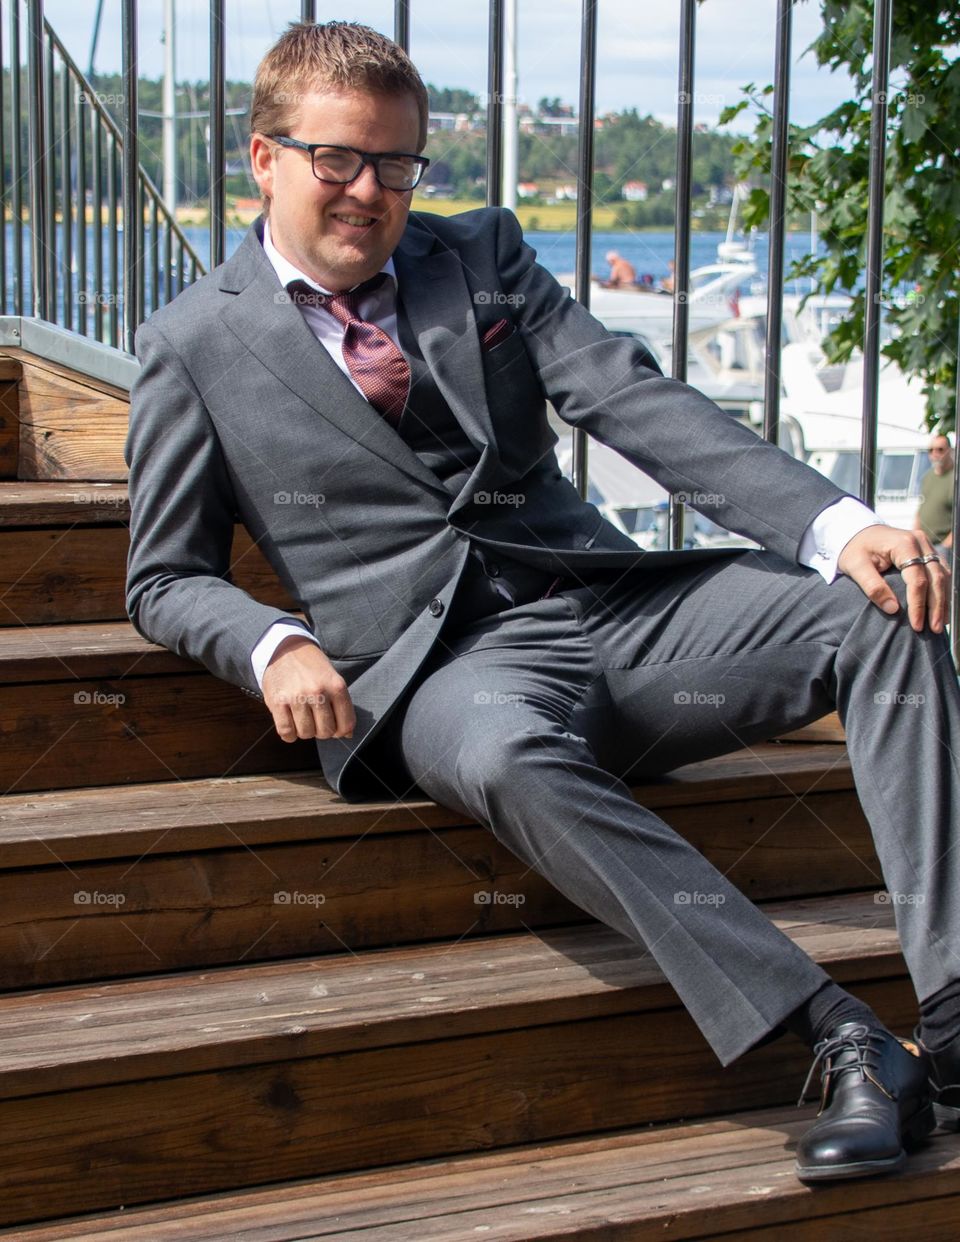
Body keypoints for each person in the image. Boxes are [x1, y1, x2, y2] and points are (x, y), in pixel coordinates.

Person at [125, 20, 960, 1186]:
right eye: (339, 161)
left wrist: (837, 528)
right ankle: (843, 1038)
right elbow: (163, 575)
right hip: (450, 672)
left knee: (890, 608)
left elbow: (634, 401)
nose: (372, 191)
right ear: (263, 159)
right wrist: (268, 640)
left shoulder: (481, 258)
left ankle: (957, 1020)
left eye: (399, 165)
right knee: (513, 755)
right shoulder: (192, 343)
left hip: (619, 616)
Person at [915, 433, 954, 570]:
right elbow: (921, 510)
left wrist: (947, 545)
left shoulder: (955, 478)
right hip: (925, 545)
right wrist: (916, 536)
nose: (935, 453)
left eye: (940, 449)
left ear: (950, 450)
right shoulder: (927, 477)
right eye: (931, 450)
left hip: (945, 547)